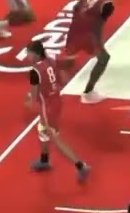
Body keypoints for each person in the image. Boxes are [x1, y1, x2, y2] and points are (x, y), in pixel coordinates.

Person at [25, 40, 90, 181]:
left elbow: (34, 94)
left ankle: (80, 166)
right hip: (56, 101)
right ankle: (44, 159)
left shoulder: (35, 71)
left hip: (47, 106)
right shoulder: (50, 61)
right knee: (42, 131)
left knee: (54, 137)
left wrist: (29, 99)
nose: (27, 57)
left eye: (29, 54)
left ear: (36, 54)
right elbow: (61, 78)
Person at [59, 0, 129, 104]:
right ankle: (88, 93)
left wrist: (79, 20)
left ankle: (54, 76)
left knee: (70, 56)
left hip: (75, 28)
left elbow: (76, 7)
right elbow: (98, 26)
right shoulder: (108, 4)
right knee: (104, 58)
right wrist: (99, 43)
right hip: (88, 34)